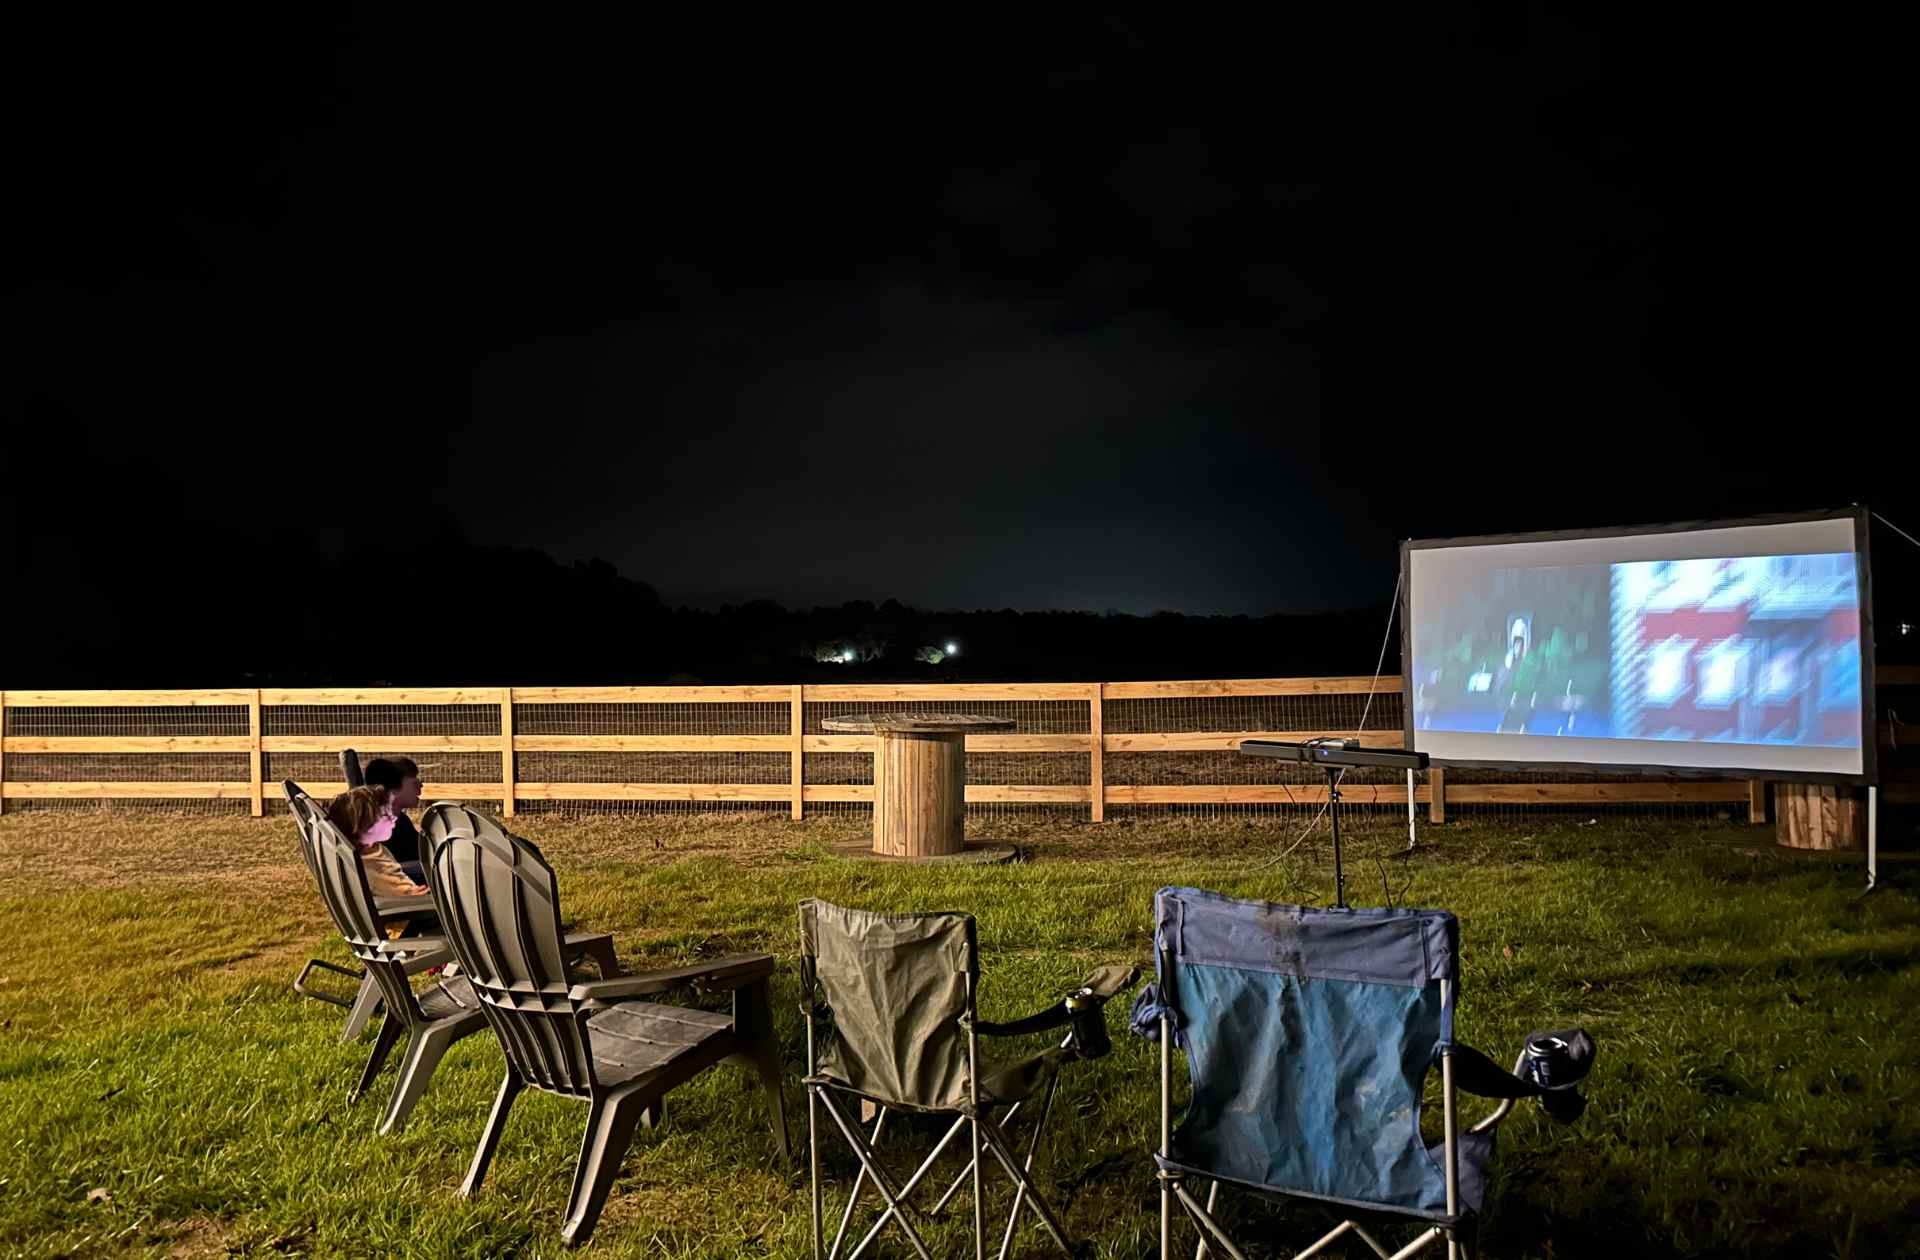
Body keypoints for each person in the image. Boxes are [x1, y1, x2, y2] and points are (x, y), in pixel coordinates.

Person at [325, 784, 429, 898]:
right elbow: (409, 897)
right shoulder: (372, 870)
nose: (393, 818)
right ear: (364, 826)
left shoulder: (368, 851)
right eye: (385, 815)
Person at [361, 756, 425, 881]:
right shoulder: (385, 829)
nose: (421, 786)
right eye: (415, 782)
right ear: (395, 787)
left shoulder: (396, 820)